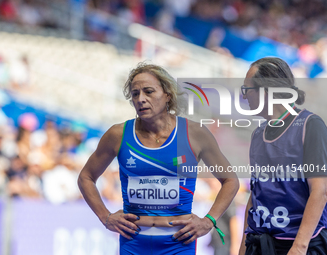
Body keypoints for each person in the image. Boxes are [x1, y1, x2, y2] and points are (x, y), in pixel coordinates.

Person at [78, 62, 239, 254]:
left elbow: (230, 180)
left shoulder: (195, 133)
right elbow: (85, 177)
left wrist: (209, 221)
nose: (141, 99)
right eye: (135, 94)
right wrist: (105, 217)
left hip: (179, 244)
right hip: (134, 243)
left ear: (167, 95)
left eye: (148, 91)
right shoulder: (118, 134)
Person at [238, 57, 327, 255]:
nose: (244, 97)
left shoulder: (310, 125)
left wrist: (299, 247)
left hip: (301, 243)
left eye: (247, 90)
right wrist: (242, 248)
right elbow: (255, 197)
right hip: (261, 243)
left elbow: (320, 191)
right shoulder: (257, 134)